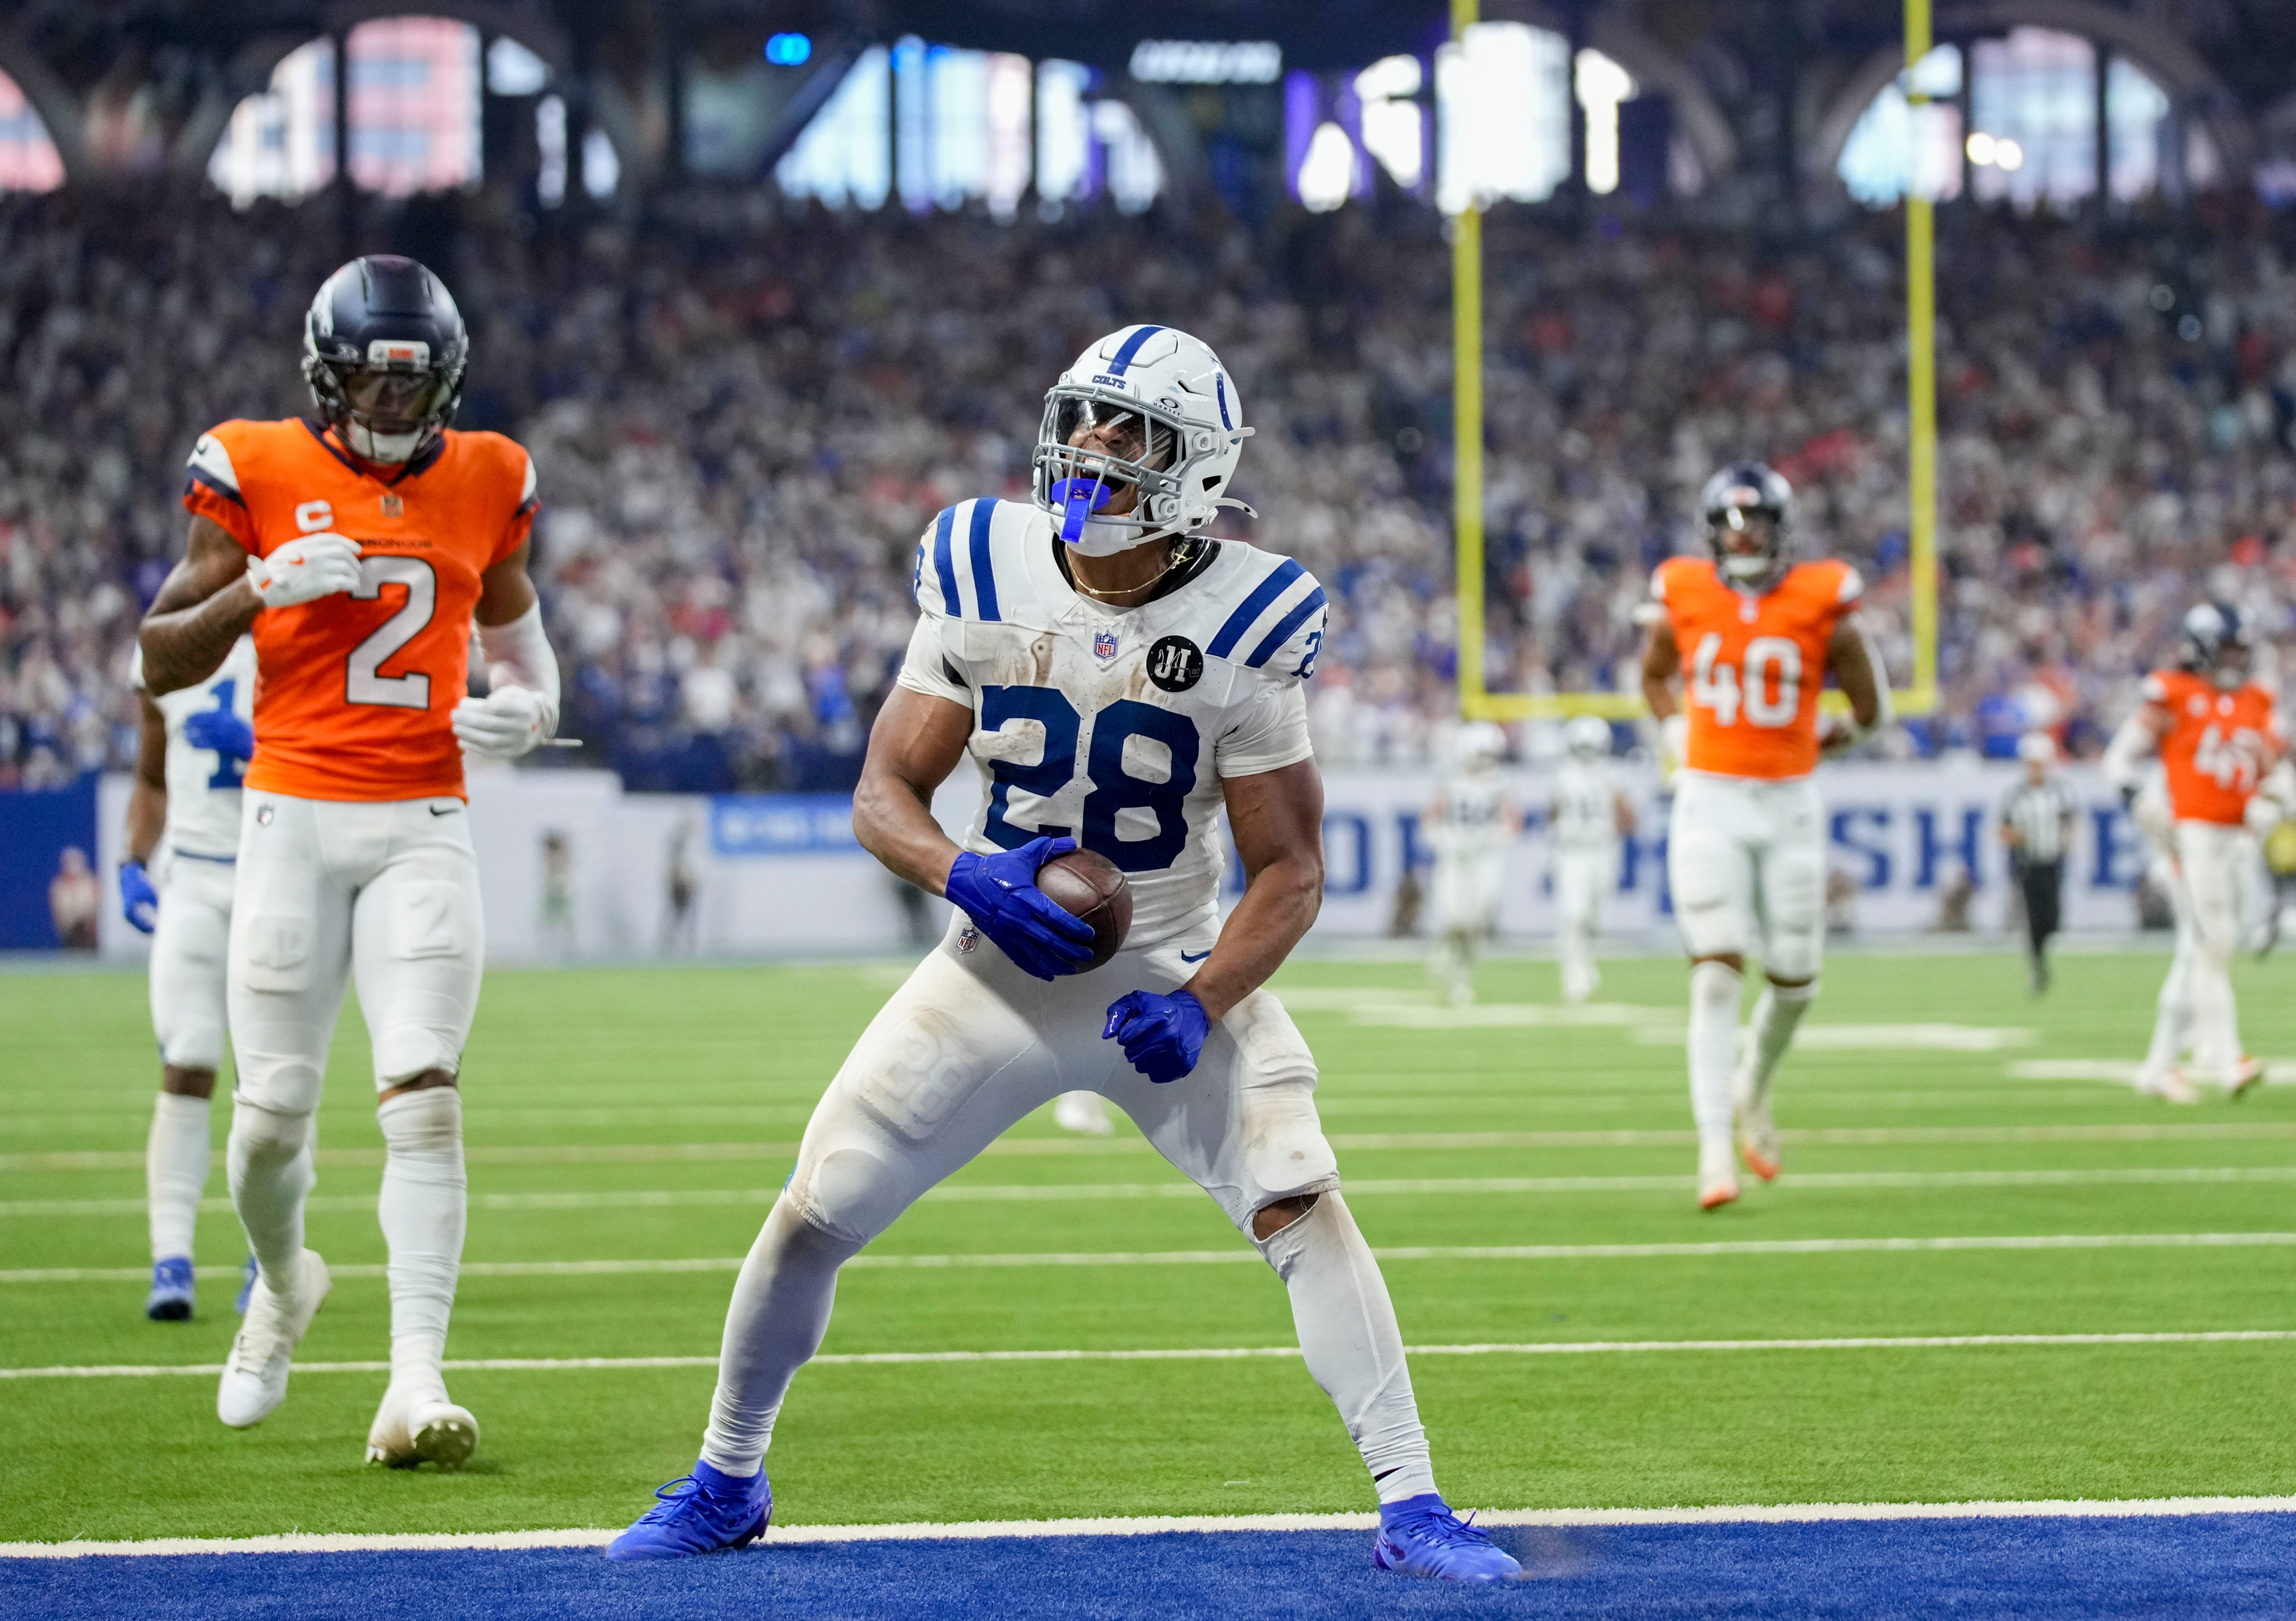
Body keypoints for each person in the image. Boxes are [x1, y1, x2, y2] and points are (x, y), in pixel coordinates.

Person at [608, 325, 1518, 1581]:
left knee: (1298, 1196)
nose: (1088, 448)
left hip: (1163, 969)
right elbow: (883, 789)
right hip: (994, 961)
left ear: (1193, 465)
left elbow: (1290, 870)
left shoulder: (1250, 619)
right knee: (817, 1205)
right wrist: (959, 866)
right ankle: (725, 1474)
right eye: (1080, 420)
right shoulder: (983, 563)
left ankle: (1413, 1503)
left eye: (1125, 430)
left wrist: (1202, 1001)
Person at [137, 255, 560, 1468]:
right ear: (326, 379)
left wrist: (529, 713)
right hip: (289, 819)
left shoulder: (492, 476)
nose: (388, 408)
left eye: (410, 385)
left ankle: (415, 1382)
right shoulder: (252, 463)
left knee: (424, 1097)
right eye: (369, 386)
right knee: (267, 1125)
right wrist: (256, 593)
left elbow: (532, 661)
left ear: (446, 381)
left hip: (425, 822)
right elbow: (158, 658)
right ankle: (283, 1280)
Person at [1639, 462, 1888, 1210]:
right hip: (1708, 797)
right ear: (1710, 533)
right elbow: (1653, 677)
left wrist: (1823, 745)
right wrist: (1678, 738)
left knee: (1796, 978)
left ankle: (1752, 1086)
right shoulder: (1680, 592)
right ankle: (1714, 1149)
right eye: (1730, 525)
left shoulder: (1825, 602)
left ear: (1783, 533)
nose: (1742, 537)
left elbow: (1872, 709)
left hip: (1788, 804)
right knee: (1715, 971)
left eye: (1756, 525)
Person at [121, 633, 260, 1320]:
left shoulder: (302, 629)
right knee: (187, 1060)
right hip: (194, 881)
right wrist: (132, 859)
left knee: (275, 1079)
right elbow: (151, 777)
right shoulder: (164, 644)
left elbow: (338, 764)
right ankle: (170, 1257)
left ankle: (271, 1254)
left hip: (278, 877)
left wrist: (260, 747)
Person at [2104, 603, 2287, 1097]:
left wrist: (2273, 804)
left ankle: (2158, 1067)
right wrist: (2142, 803)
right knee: (2210, 944)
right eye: (2228, 647)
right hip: (2191, 839)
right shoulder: (2174, 694)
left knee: (2202, 949)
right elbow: (2118, 761)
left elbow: (2273, 772)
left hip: (2236, 840)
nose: (2236, 658)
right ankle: (2225, 1056)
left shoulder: (2254, 700)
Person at [1425, 721, 1518, 1006]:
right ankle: (1447, 952)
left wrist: (1500, 835)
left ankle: (1462, 978)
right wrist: (1442, 838)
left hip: (1486, 856)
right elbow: (1431, 817)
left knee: (1480, 916)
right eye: (1482, 755)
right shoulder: (1451, 779)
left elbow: (1512, 818)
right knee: (1454, 918)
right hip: (1456, 858)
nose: (1485, 762)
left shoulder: (1500, 782)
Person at [1549, 715, 1632, 1004]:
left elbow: (1628, 816)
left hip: (1602, 850)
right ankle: (1575, 976)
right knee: (1575, 915)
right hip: (1572, 852)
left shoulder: (1611, 774)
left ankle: (1586, 964)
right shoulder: (1563, 775)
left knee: (1593, 919)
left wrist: (1614, 829)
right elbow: (1552, 813)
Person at [1997, 732, 2078, 993]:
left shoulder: (2060, 791)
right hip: (2028, 863)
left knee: (2052, 917)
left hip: (2052, 861)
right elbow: (2002, 829)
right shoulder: (2016, 796)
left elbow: (2071, 820)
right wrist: (2020, 838)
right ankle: (2037, 965)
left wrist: (2066, 842)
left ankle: (2040, 956)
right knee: (2033, 917)